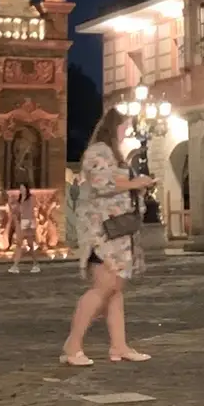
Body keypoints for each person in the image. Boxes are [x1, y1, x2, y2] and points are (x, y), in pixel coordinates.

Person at [60, 107, 156, 367]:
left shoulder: (114, 154)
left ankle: (119, 345)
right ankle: (73, 344)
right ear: (115, 125)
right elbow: (102, 183)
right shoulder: (98, 152)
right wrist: (137, 183)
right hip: (102, 233)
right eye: (126, 125)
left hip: (118, 234)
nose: (128, 130)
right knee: (103, 288)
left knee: (115, 290)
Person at [7, 181, 41, 275]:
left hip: (29, 223)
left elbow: (33, 209)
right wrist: (10, 204)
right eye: (20, 188)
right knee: (20, 244)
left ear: (26, 189)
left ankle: (33, 264)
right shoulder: (19, 200)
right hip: (21, 223)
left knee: (28, 244)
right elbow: (15, 211)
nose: (21, 190)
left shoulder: (31, 198)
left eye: (23, 188)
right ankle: (17, 265)